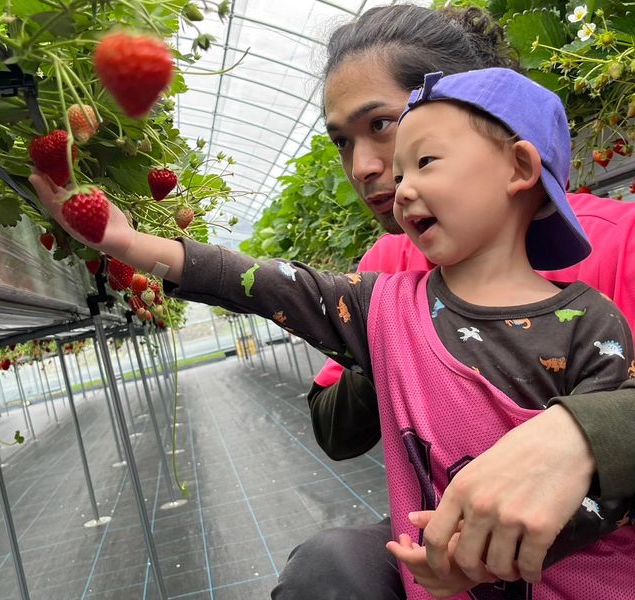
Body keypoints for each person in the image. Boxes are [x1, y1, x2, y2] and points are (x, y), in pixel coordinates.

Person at [33, 67, 635, 598]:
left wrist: (480, 562)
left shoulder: (592, 322)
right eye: (401, 174)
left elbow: (607, 486)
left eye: (424, 162)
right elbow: (266, 283)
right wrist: (129, 243)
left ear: (520, 169)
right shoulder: (386, 306)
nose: (400, 189)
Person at [295, 4, 635, 598]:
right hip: (449, 546)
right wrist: (394, 336)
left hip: (606, 554)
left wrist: (584, 433)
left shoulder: (620, 241)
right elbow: (335, 432)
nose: (364, 166)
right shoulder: (386, 271)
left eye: (381, 125)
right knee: (329, 568)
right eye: (343, 142)